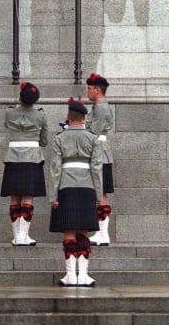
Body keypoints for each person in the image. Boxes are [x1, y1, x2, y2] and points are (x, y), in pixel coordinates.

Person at [49, 98, 103, 287]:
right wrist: (99, 195)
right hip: (87, 187)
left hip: (66, 187)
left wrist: (53, 196)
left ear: (68, 117)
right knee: (84, 231)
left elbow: (55, 169)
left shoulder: (59, 138)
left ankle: (71, 275)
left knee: (69, 231)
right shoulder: (93, 138)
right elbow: (97, 168)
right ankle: (84, 276)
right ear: (84, 117)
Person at [0, 81, 48, 246]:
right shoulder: (41, 115)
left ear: (20, 97)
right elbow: (44, 140)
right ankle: (23, 236)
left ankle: (17, 236)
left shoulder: (9, 113)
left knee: (15, 196)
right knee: (28, 197)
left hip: (13, 158)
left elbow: (7, 125)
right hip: (32, 158)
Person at [85, 73, 114, 246]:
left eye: (89, 88)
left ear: (97, 89)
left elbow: (93, 132)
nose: (87, 92)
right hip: (100, 152)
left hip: (99, 154)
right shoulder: (99, 107)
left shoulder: (101, 108)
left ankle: (103, 234)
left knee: (101, 193)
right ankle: (101, 233)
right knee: (100, 193)